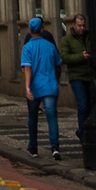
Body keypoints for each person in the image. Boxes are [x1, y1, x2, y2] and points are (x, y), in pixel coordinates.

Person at [21, 15, 64, 161]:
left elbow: (27, 68)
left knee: (33, 116)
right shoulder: (50, 46)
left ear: (29, 31)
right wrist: (56, 79)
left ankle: (33, 147)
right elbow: (58, 65)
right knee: (51, 116)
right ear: (42, 29)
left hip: (35, 86)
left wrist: (27, 87)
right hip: (50, 85)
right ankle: (55, 147)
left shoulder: (27, 47)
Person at [60, 14, 91, 139]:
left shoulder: (89, 38)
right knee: (83, 105)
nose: (82, 28)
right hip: (76, 76)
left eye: (83, 25)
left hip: (90, 76)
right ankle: (83, 134)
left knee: (91, 106)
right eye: (79, 26)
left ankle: (86, 130)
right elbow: (64, 57)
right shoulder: (67, 40)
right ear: (73, 25)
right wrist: (80, 56)